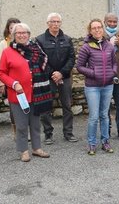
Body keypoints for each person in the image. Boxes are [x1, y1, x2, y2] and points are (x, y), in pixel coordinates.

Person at [0, 23, 51, 162]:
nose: (21, 35)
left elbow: (45, 67)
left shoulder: (36, 49)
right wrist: (14, 84)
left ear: (29, 34)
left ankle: (37, 148)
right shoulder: (8, 52)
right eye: (18, 33)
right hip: (18, 95)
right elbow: (1, 73)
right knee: (21, 125)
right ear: (14, 36)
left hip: (36, 93)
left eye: (24, 32)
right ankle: (23, 150)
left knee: (35, 123)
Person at [76, 19, 117, 155]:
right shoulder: (86, 47)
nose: (97, 30)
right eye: (94, 28)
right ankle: (92, 143)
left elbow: (115, 63)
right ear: (90, 30)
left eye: (99, 27)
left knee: (104, 115)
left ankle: (105, 141)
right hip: (92, 86)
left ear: (102, 29)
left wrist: (113, 72)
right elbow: (79, 66)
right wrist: (93, 73)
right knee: (94, 116)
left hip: (107, 85)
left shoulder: (109, 46)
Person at [36, 13, 78, 144]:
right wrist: (53, 74)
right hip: (48, 78)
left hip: (65, 77)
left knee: (67, 106)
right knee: (46, 107)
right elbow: (40, 60)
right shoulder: (40, 40)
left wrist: (61, 73)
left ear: (61, 23)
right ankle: (48, 134)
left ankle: (68, 133)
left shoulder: (67, 39)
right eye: (52, 21)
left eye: (58, 21)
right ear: (47, 23)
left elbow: (72, 58)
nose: (55, 24)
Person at [104, 13, 119, 140]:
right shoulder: (101, 35)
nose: (112, 24)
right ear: (105, 21)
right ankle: (106, 129)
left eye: (115, 22)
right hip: (104, 77)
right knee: (106, 105)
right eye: (110, 21)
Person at [0, 17, 20, 138]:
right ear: (8, 29)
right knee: (13, 108)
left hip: (23, 81)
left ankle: (24, 130)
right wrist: (0, 83)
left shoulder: (26, 42)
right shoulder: (3, 44)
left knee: (27, 106)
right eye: (12, 28)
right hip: (9, 81)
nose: (14, 30)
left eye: (16, 28)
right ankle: (16, 130)